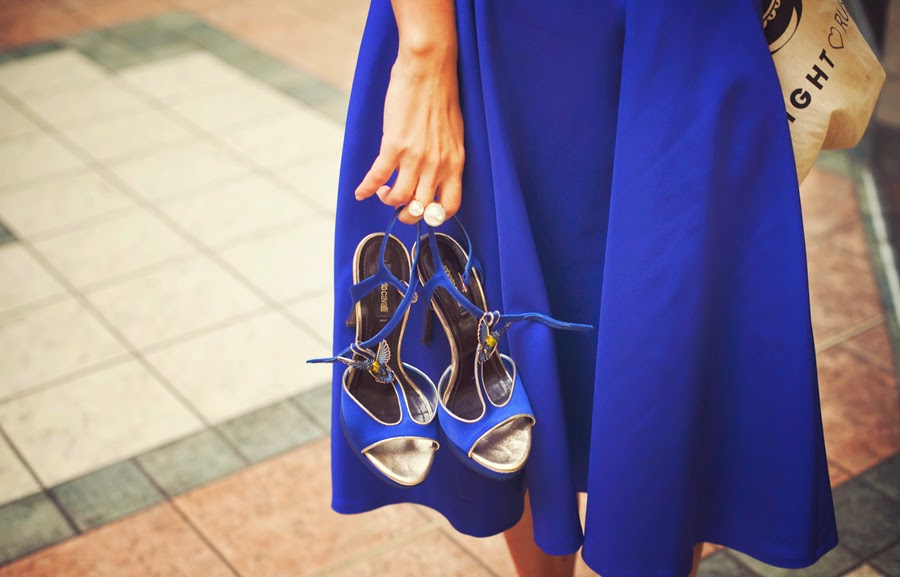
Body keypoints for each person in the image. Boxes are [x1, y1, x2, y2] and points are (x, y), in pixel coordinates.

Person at [326, 1, 840, 576]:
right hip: (503, 31)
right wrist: (426, 52)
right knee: (505, 338)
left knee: (675, 343)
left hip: (689, 26)